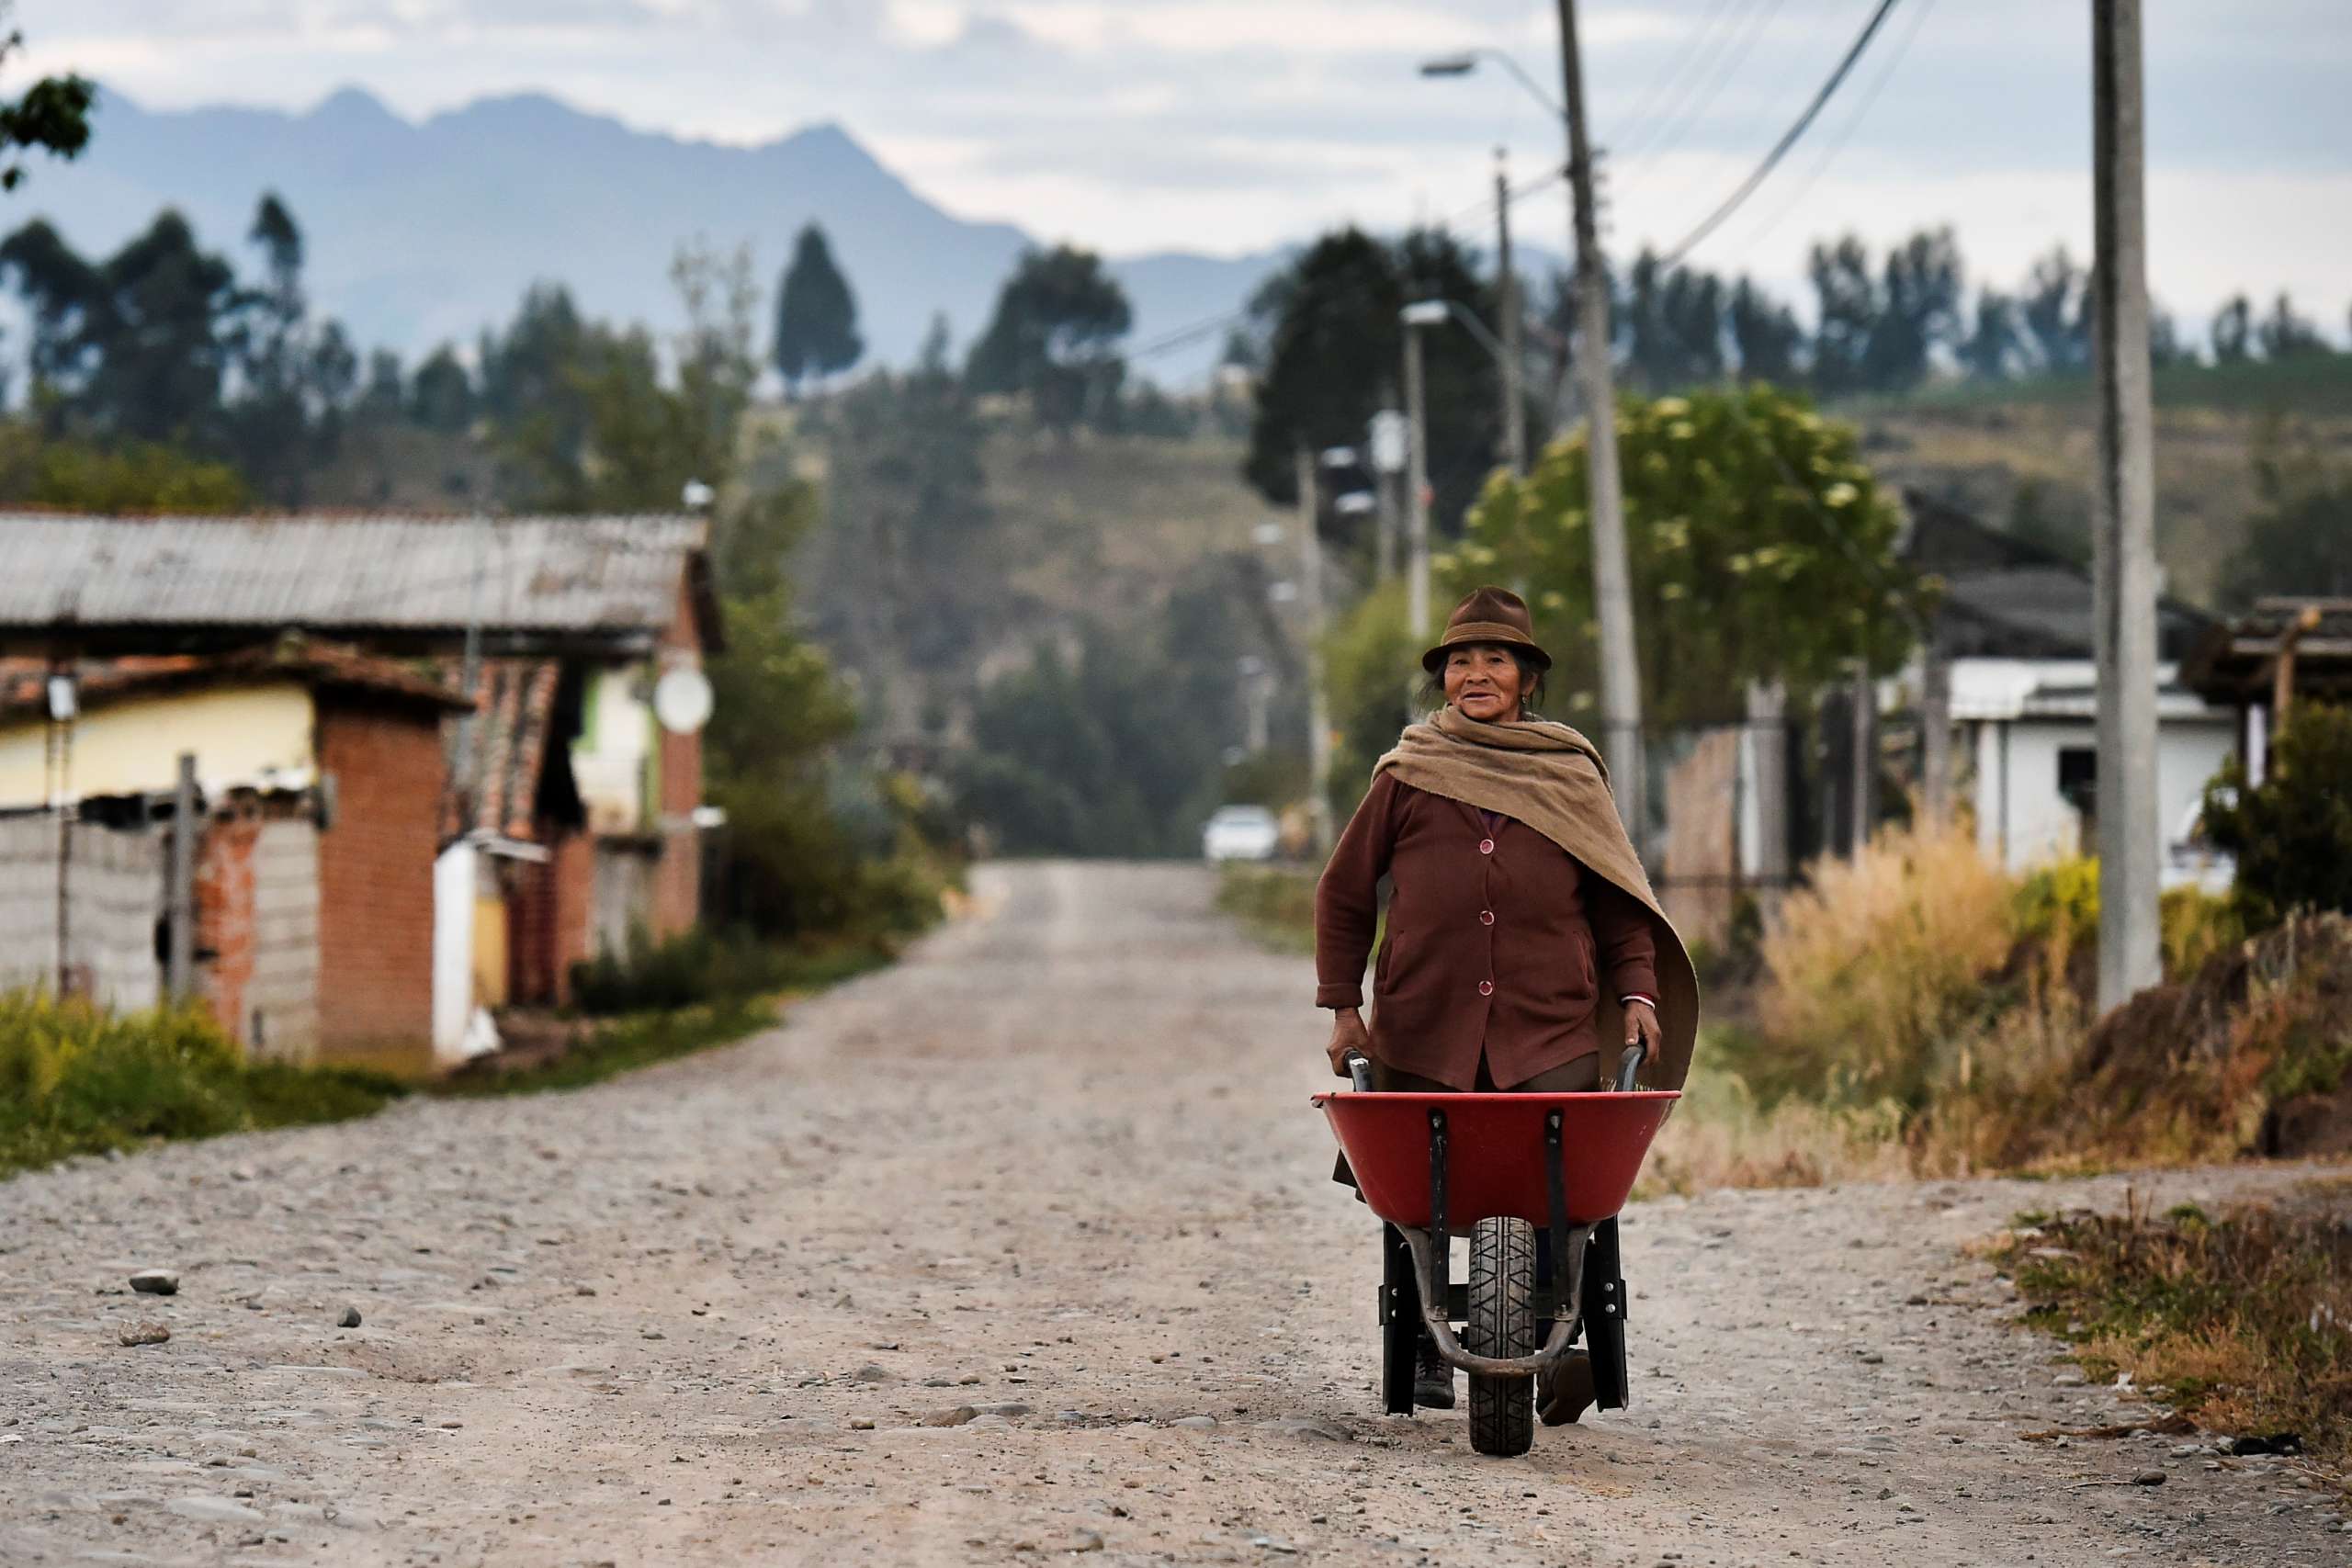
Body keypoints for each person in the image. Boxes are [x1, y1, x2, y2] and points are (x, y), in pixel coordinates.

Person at [1314, 586, 1697, 1423]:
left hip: (1548, 1028)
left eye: (1495, 659)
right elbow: (1344, 892)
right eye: (1460, 661)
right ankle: (1425, 1340)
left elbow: (1619, 899)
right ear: (1443, 678)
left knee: (1563, 1195)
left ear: (1527, 677)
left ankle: (1567, 1341)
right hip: (1424, 1026)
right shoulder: (1408, 773)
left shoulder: (1568, 773)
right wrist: (1343, 1006)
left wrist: (1638, 992)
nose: (1476, 674)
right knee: (1420, 1197)